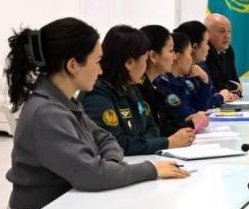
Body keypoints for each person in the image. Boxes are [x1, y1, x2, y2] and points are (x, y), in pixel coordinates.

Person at [2, 18, 188, 209]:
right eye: (97, 61)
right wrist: (151, 169)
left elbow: (105, 138)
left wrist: (111, 163)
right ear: (73, 65)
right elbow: (92, 175)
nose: (100, 71)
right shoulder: (47, 112)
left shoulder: (63, 101)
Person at [83, 25, 195, 155]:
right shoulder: (98, 95)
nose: (145, 65)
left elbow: (153, 128)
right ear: (129, 63)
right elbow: (118, 143)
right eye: (144, 59)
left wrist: (140, 142)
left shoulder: (132, 87)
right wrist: (167, 143)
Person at [153, 31, 211, 133]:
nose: (191, 59)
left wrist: (205, 80)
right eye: (190, 54)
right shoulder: (163, 83)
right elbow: (181, 113)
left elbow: (199, 106)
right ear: (178, 57)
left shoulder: (180, 80)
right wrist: (195, 115)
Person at [174, 20, 236, 109]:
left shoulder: (201, 67)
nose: (208, 48)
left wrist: (205, 79)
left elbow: (211, 94)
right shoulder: (180, 74)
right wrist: (220, 97)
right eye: (206, 43)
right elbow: (195, 105)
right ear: (194, 47)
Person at [204, 13, 242, 97]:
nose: (227, 36)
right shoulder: (205, 53)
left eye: (229, 31)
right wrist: (234, 87)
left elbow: (236, 81)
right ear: (207, 33)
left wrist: (236, 93)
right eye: (222, 31)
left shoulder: (228, 50)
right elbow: (216, 87)